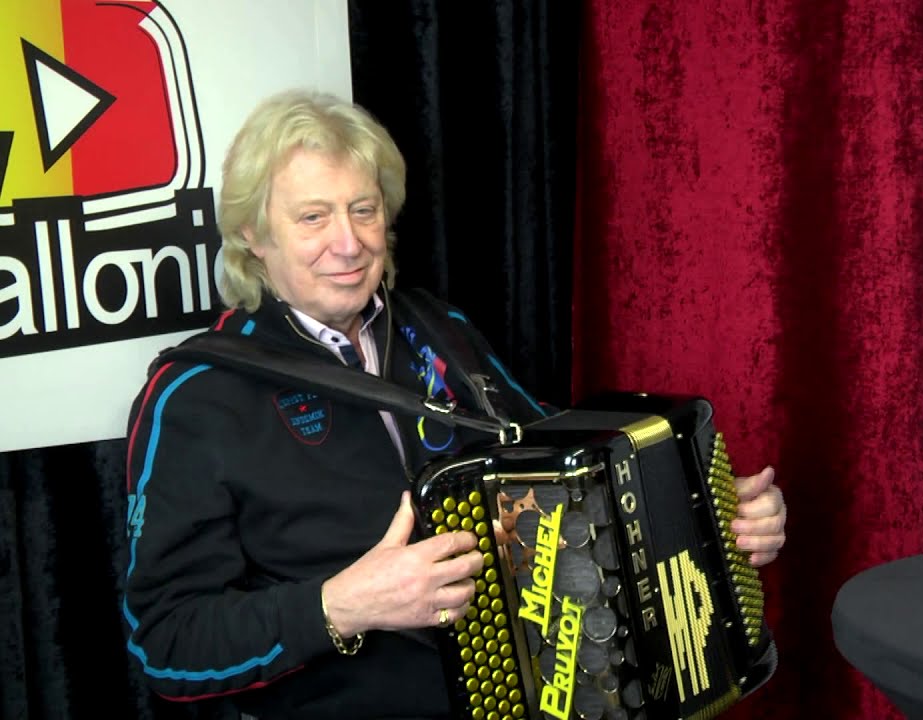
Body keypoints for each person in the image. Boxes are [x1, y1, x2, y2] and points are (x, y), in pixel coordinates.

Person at [120, 89, 787, 720]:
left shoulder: (438, 329)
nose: (348, 243)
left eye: (364, 208)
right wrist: (339, 607)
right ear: (254, 239)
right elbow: (166, 645)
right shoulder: (196, 397)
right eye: (312, 217)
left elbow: (571, 471)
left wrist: (711, 516)